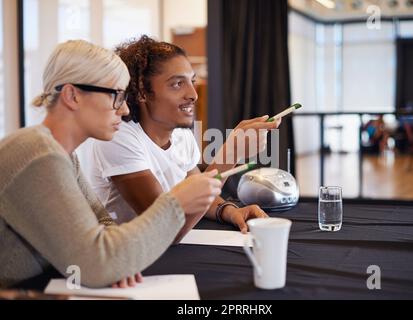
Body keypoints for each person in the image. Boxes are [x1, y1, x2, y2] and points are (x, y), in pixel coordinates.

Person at [0, 40, 222, 289]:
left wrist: (116, 261)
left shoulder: (64, 155)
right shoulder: (39, 156)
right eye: (116, 96)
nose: (125, 109)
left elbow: (102, 224)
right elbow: (97, 266)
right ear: (73, 95)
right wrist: (176, 203)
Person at [87, 36, 280, 240]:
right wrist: (229, 155)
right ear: (143, 92)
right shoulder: (118, 137)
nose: (193, 94)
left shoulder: (181, 135)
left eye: (192, 81)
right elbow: (166, 229)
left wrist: (229, 211)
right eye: (178, 84)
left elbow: (195, 195)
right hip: (126, 255)